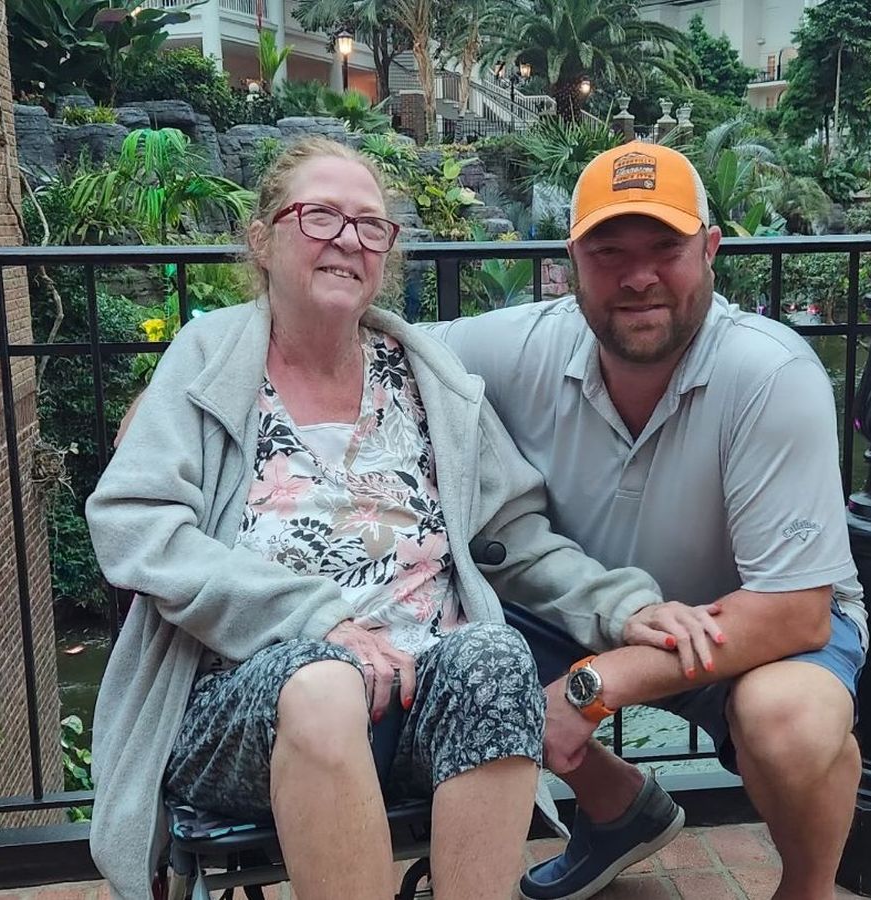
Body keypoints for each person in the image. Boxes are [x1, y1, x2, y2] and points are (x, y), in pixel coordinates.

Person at [84, 137, 679, 900]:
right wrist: (315, 620)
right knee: (322, 684)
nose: (347, 239)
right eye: (320, 216)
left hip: (416, 708)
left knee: (496, 657)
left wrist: (618, 607)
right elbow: (134, 523)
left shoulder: (425, 379)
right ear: (262, 241)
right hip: (245, 713)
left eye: (370, 225)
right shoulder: (208, 363)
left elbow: (513, 538)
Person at [427, 142, 869, 900]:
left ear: (711, 250)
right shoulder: (518, 345)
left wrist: (595, 685)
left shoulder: (770, 372)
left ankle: (807, 887)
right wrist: (213, 359)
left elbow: (796, 612)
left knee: (790, 721)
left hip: (748, 632)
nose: (638, 277)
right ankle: (618, 808)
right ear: (572, 262)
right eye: (609, 252)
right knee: (424, 614)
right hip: (583, 613)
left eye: (665, 248)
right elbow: (367, 343)